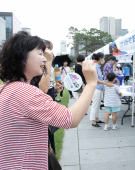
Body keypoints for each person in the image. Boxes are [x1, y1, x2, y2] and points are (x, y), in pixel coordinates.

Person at [0, 31, 97, 169]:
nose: (45, 59)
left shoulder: (6, 87)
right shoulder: (26, 92)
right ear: (22, 57)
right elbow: (71, 119)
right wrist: (91, 83)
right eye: (40, 54)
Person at [90, 52, 113, 128]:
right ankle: (93, 121)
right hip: (96, 88)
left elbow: (99, 78)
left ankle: (96, 118)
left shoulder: (98, 66)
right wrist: (106, 83)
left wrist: (104, 82)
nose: (104, 59)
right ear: (100, 58)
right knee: (95, 105)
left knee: (97, 104)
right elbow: (95, 79)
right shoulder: (95, 67)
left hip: (99, 88)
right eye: (103, 58)